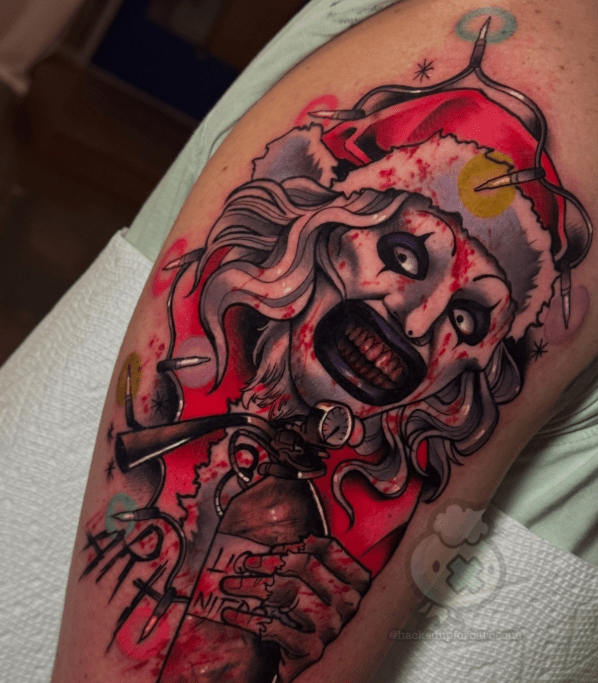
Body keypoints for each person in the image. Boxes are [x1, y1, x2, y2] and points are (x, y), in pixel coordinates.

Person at [45, 2, 598, 682]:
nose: (417, 325)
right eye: (403, 256)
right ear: (327, 236)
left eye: (466, 320)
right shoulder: (570, 65)